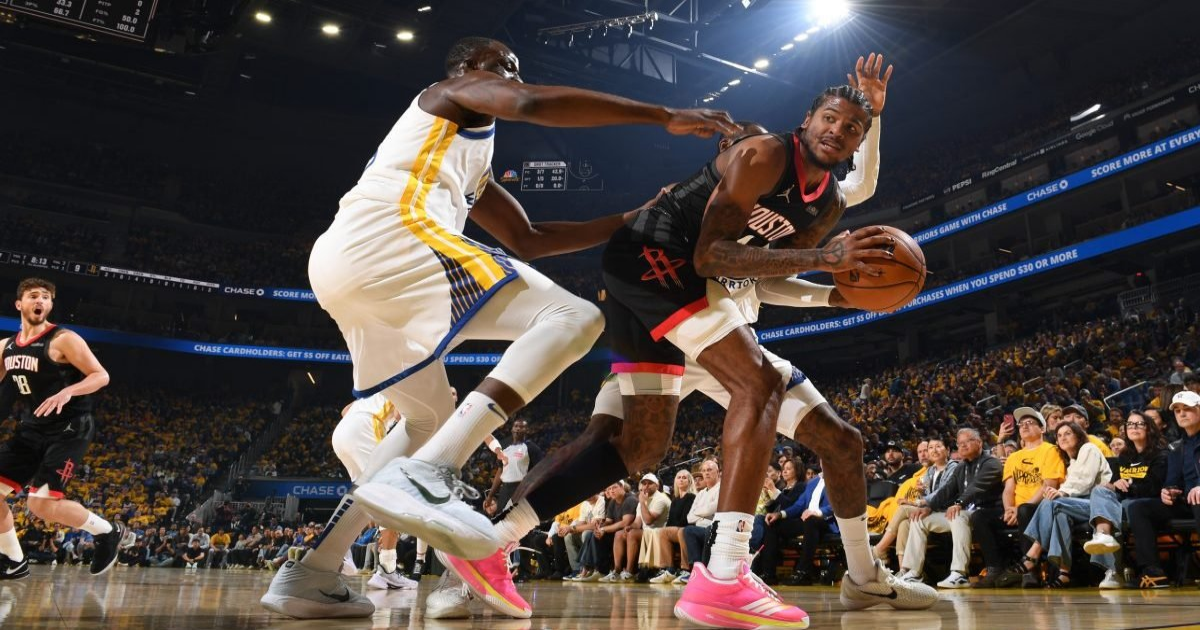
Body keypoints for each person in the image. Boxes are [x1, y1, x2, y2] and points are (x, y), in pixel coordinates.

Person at [434, 54, 935, 625]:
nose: (837, 130)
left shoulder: (826, 204)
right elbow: (708, 256)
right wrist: (823, 259)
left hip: (707, 311)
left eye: (851, 127)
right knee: (753, 385)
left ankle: (486, 543)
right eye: (830, 118)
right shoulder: (762, 155)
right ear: (806, 119)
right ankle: (723, 574)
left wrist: (832, 295)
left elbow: (765, 274)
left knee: (652, 446)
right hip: (654, 266)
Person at [260, 36, 736, 619]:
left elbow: (528, 239)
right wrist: (663, 115)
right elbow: (531, 103)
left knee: (426, 419)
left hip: (347, 268)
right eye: (500, 67)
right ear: (467, 70)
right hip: (390, 238)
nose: (510, 75)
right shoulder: (448, 94)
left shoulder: (464, 157)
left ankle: (312, 571)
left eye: (515, 67)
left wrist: (631, 217)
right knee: (575, 316)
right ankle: (430, 471)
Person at [0, 278, 123, 580]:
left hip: (70, 428)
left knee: (40, 504)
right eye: (33, 295)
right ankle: (14, 560)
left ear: (51, 305)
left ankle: (108, 531)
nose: (40, 300)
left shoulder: (63, 339)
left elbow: (101, 375)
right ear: (19, 304)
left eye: (46, 297)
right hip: (33, 427)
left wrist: (68, 391)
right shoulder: (5, 347)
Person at [996, 422, 1112, 588]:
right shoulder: (1071, 463)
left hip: (1099, 507)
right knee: (1060, 516)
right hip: (1079, 506)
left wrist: (1061, 493)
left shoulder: (1088, 449)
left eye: (1068, 433)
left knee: (1051, 502)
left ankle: (1032, 554)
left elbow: (1083, 481)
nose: (1063, 437)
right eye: (1059, 435)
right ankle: (1064, 573)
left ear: (1078, 436)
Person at [328, 393, 417, 591]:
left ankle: (342, 552)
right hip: (364, 429)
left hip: (341, 434)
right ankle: (387, 570)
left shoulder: (374, 392)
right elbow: (399, 416)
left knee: (363, 496)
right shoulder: (406, 386)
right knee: (391, 498)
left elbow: (345, 411)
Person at [969, 406, 1065, 588]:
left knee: (1025, 510)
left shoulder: (1051, 450)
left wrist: (1020, 508)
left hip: (1040, 507)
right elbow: (1008, 489)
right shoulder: (1014, 457)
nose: (1025, 426)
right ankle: (995, 568)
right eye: (1022, 424)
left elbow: (1049, 485)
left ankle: (1031, 571)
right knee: (979, 516)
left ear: (1042, 428)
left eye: (1030, 423)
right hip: (1015, 510)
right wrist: (1008, 509)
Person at [899, 429, 1002, 589]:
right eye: (960, 444)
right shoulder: (961, 467)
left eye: (967, 441)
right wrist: (928, 507)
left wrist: (959, 502)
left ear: (979, 442)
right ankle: (913, 572)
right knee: (919, 519)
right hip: (965, 513)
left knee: (958, 515)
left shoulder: (991, 463)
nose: (963, 446)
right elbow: (946, 490)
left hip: (986, 512)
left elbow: (976, 487)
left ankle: (959, 573)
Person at [1123, 390, 1200, 588]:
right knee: (1139, 507)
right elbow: (1171, 481)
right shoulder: (1176, 447)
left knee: (1197, 499)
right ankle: (1153, 572)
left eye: (1188, 409)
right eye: (1178, 410)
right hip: (1186, 502)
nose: (1182, 413)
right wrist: (1168, 491)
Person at [1083, 410, 1167, 588]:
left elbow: (1153, 487)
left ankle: (1113, 571)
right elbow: (1115, 484)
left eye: (1139, 424)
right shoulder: (1125, 456)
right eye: (1130, 424)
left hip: (1145, 503)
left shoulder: (1160, 454)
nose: (1133, 427)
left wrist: (1128, 484)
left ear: (1149, 428)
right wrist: (1116, 484)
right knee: (1100, 490)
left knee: (1117, 510)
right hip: (1123, 502)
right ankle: (1103, 535)